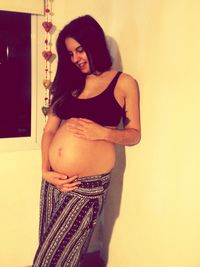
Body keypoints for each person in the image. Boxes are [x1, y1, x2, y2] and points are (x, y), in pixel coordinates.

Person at [32, 15, 141, 267]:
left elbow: (134, 134)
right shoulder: (68, 83)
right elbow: (49, 131)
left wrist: (103, 132)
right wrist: (45, 171)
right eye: (70, 53)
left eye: (80, 50)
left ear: (94, 44)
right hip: (52, 182)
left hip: (86, 187)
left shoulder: (123, 83)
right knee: (58, 255)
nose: (75, 58)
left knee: (49, 260)